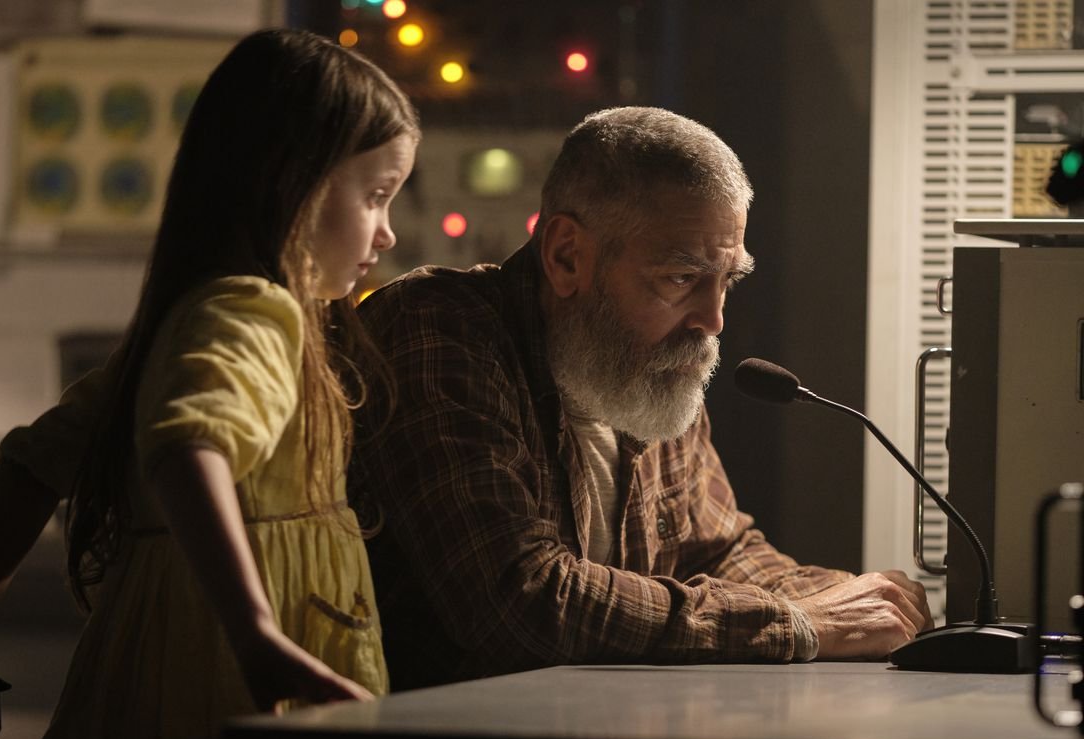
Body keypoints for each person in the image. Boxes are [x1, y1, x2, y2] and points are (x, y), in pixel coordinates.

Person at [0, 29, 418, 739]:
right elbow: (191, 444)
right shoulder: (253, 314)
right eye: (375, 195)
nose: (387, 232)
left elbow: (32, 463)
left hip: (148, 681)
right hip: (226, 698)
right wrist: (256, 632)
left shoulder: (188, 318)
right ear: (288, 183)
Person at [349, 106, 933, 700]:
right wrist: (797, 624)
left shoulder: (655, 366)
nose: (713, 321)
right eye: (680, 278)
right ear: (567, 256)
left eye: (726, 279)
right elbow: (518, 598)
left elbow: (720, 548)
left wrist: (860, 599)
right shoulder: (439, 329)